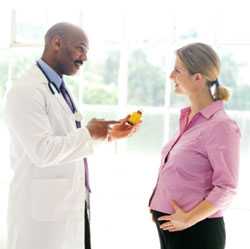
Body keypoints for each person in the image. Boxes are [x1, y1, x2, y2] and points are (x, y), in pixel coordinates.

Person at [5, 22, 139, 249]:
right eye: (80, 49)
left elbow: (65, 140)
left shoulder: (57, 86)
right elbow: (43, 151)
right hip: (41, 220)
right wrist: (89, 133)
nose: (84, 57)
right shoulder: (26, 90)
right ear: (56, 43)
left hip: (67, 206)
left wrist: (105, 136)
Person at [149, 43, 240, 249]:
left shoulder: (221, 126)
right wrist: (158, 202)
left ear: (197, 78)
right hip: (173, 229)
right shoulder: (189, 120)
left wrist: (189, 219)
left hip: (197, 232)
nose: (171, 76)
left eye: (177, 70)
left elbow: (227, 187)